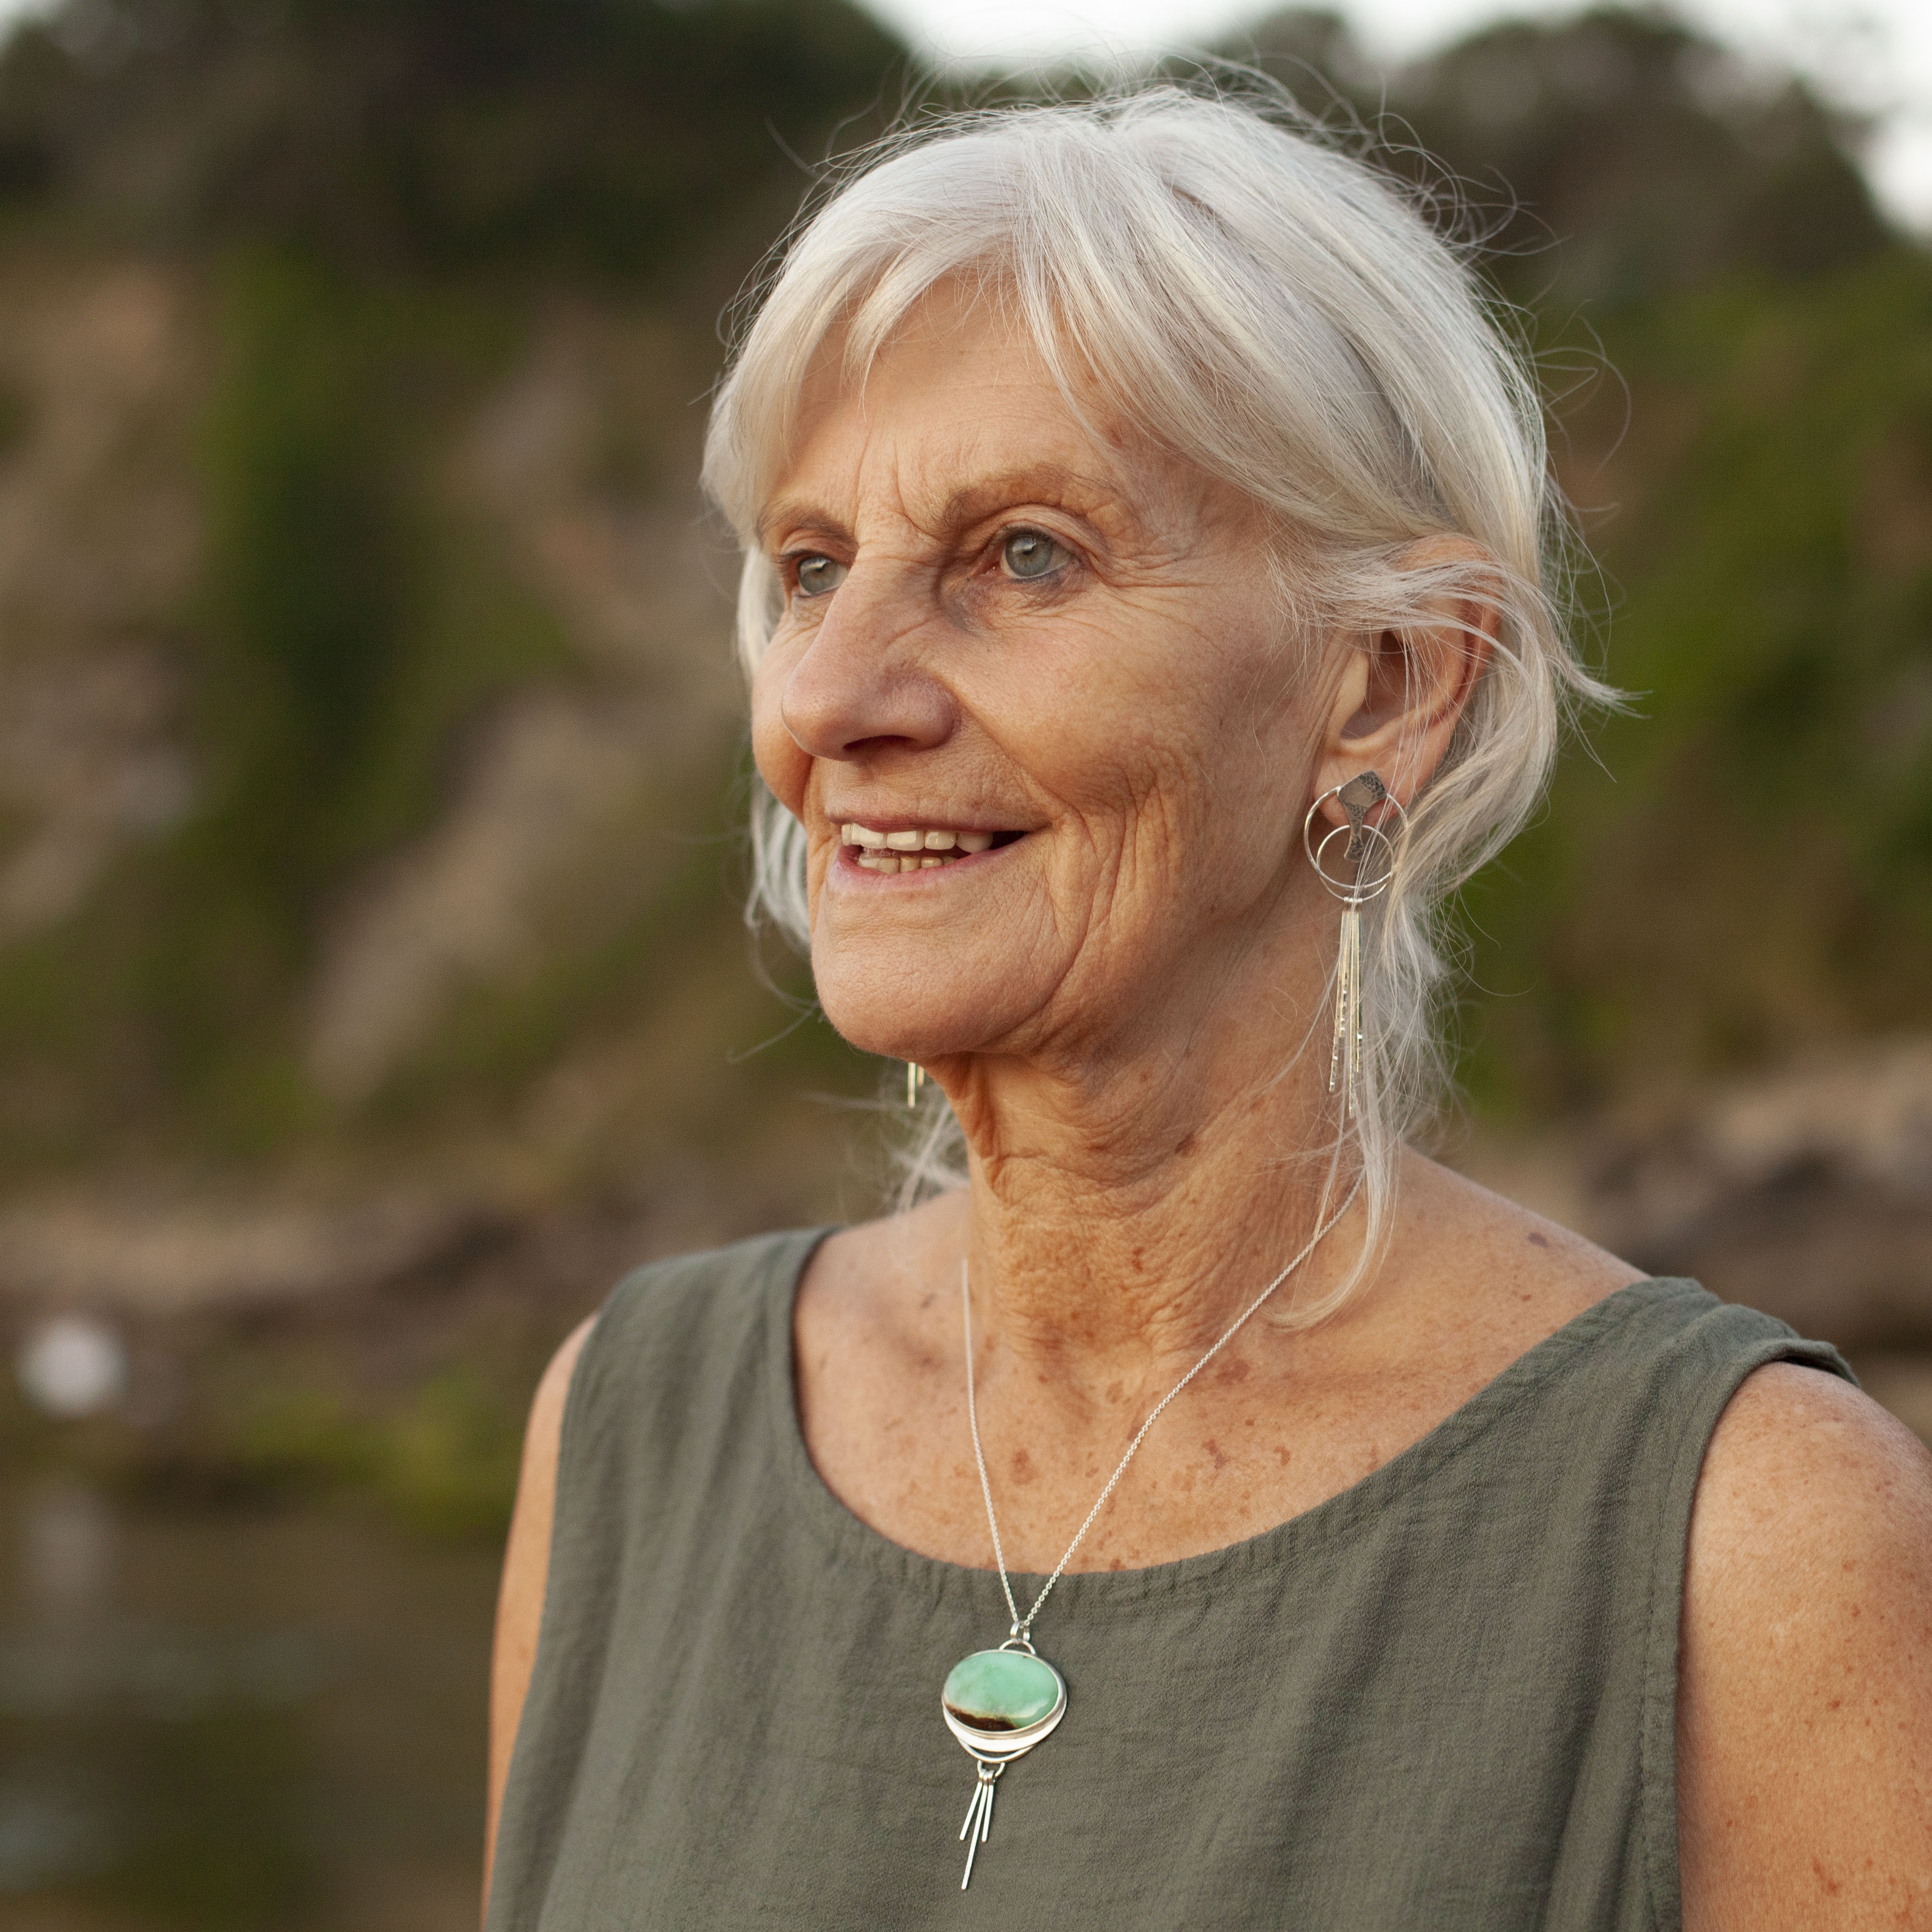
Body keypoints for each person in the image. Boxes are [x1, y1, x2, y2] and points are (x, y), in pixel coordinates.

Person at [481, 84, 1932, 1930]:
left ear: (1386, 688)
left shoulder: (1747, 1542)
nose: (831, 692)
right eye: (810, 566)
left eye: (1022, 555)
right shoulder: (627, 1426)